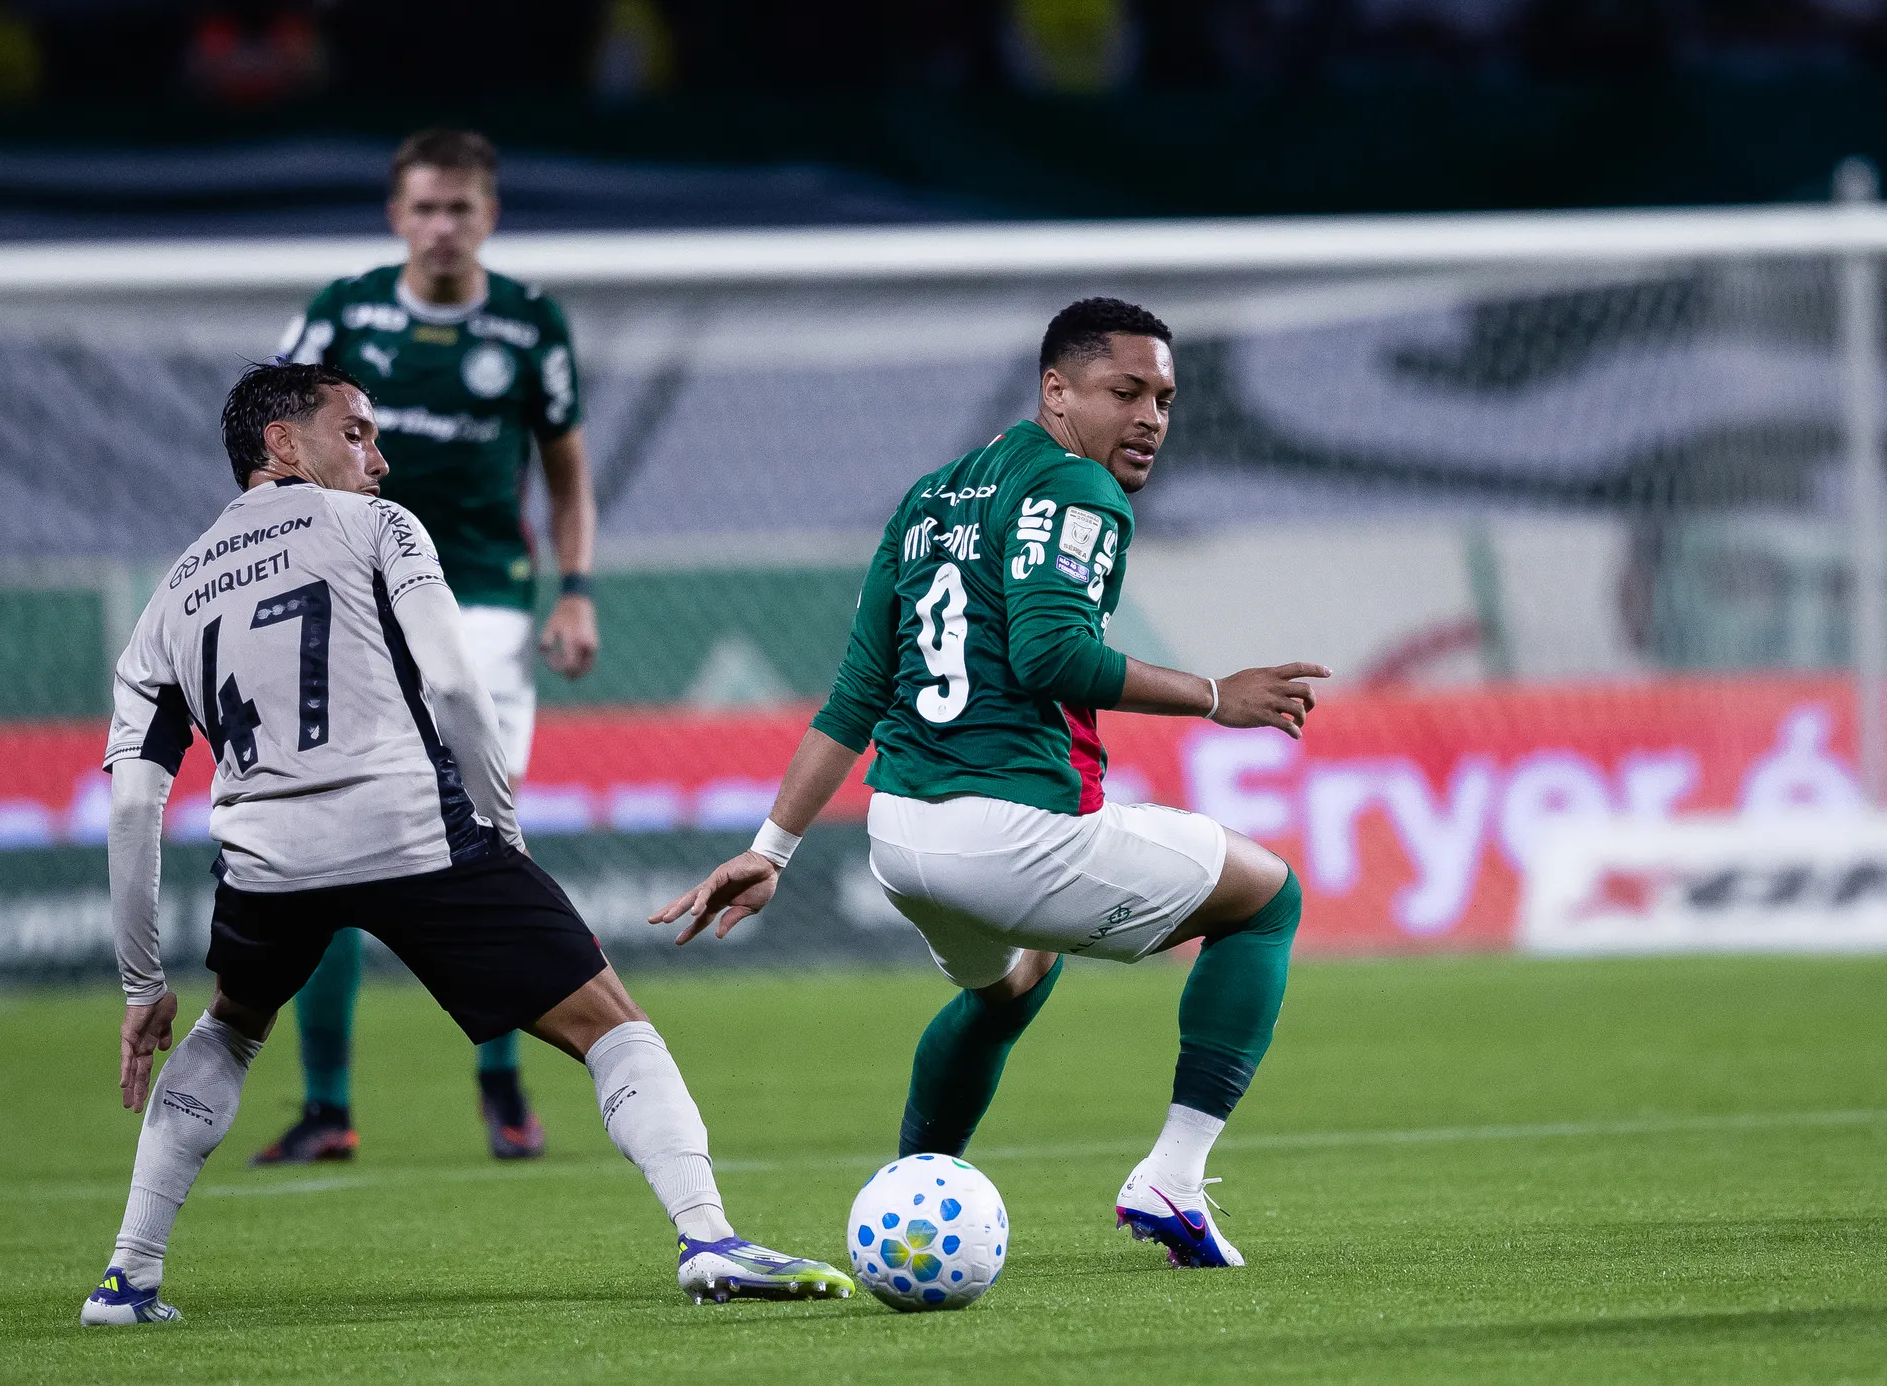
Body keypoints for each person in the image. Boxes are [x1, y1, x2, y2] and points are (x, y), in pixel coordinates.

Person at [81, 363, 850, 1325]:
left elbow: (132, 806)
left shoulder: (169, 601)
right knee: (611, 1023)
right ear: (281, 444)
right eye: (355, 433)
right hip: (412, 833)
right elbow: (453, 685)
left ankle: (127, 1278)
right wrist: (502, 831)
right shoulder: (379, 528)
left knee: (231, 1024)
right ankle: (709, 1238)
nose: (379, 457)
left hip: (265, 860)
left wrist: (140, 982)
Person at [652, 298, 1329, 1271]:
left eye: (1166, 399)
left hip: (903, 837)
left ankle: (906, 1202)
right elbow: (1052, 653)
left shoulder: (930, 496)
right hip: (1015, 831)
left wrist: (772, 851)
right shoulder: (1078, 489)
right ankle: (1173, 1179)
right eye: (1125, 391)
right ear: (1056, 391)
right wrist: (1217, 694)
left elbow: (854, 700)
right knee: (1267, 901)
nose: (1150, 418)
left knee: (1010, 986)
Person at [263, 128, 601, 1163]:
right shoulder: (344, 312)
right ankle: (329, 1107)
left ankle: (501, 1085)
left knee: (473, 843)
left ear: (489, 215)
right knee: (329, 850)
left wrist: (576, 590)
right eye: (425, 207)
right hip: (353, 597)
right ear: (395, 215)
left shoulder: (531, 323)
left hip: (485, 601)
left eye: (461, 207)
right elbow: (272, 446)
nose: (443, 225)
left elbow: (565, 472)